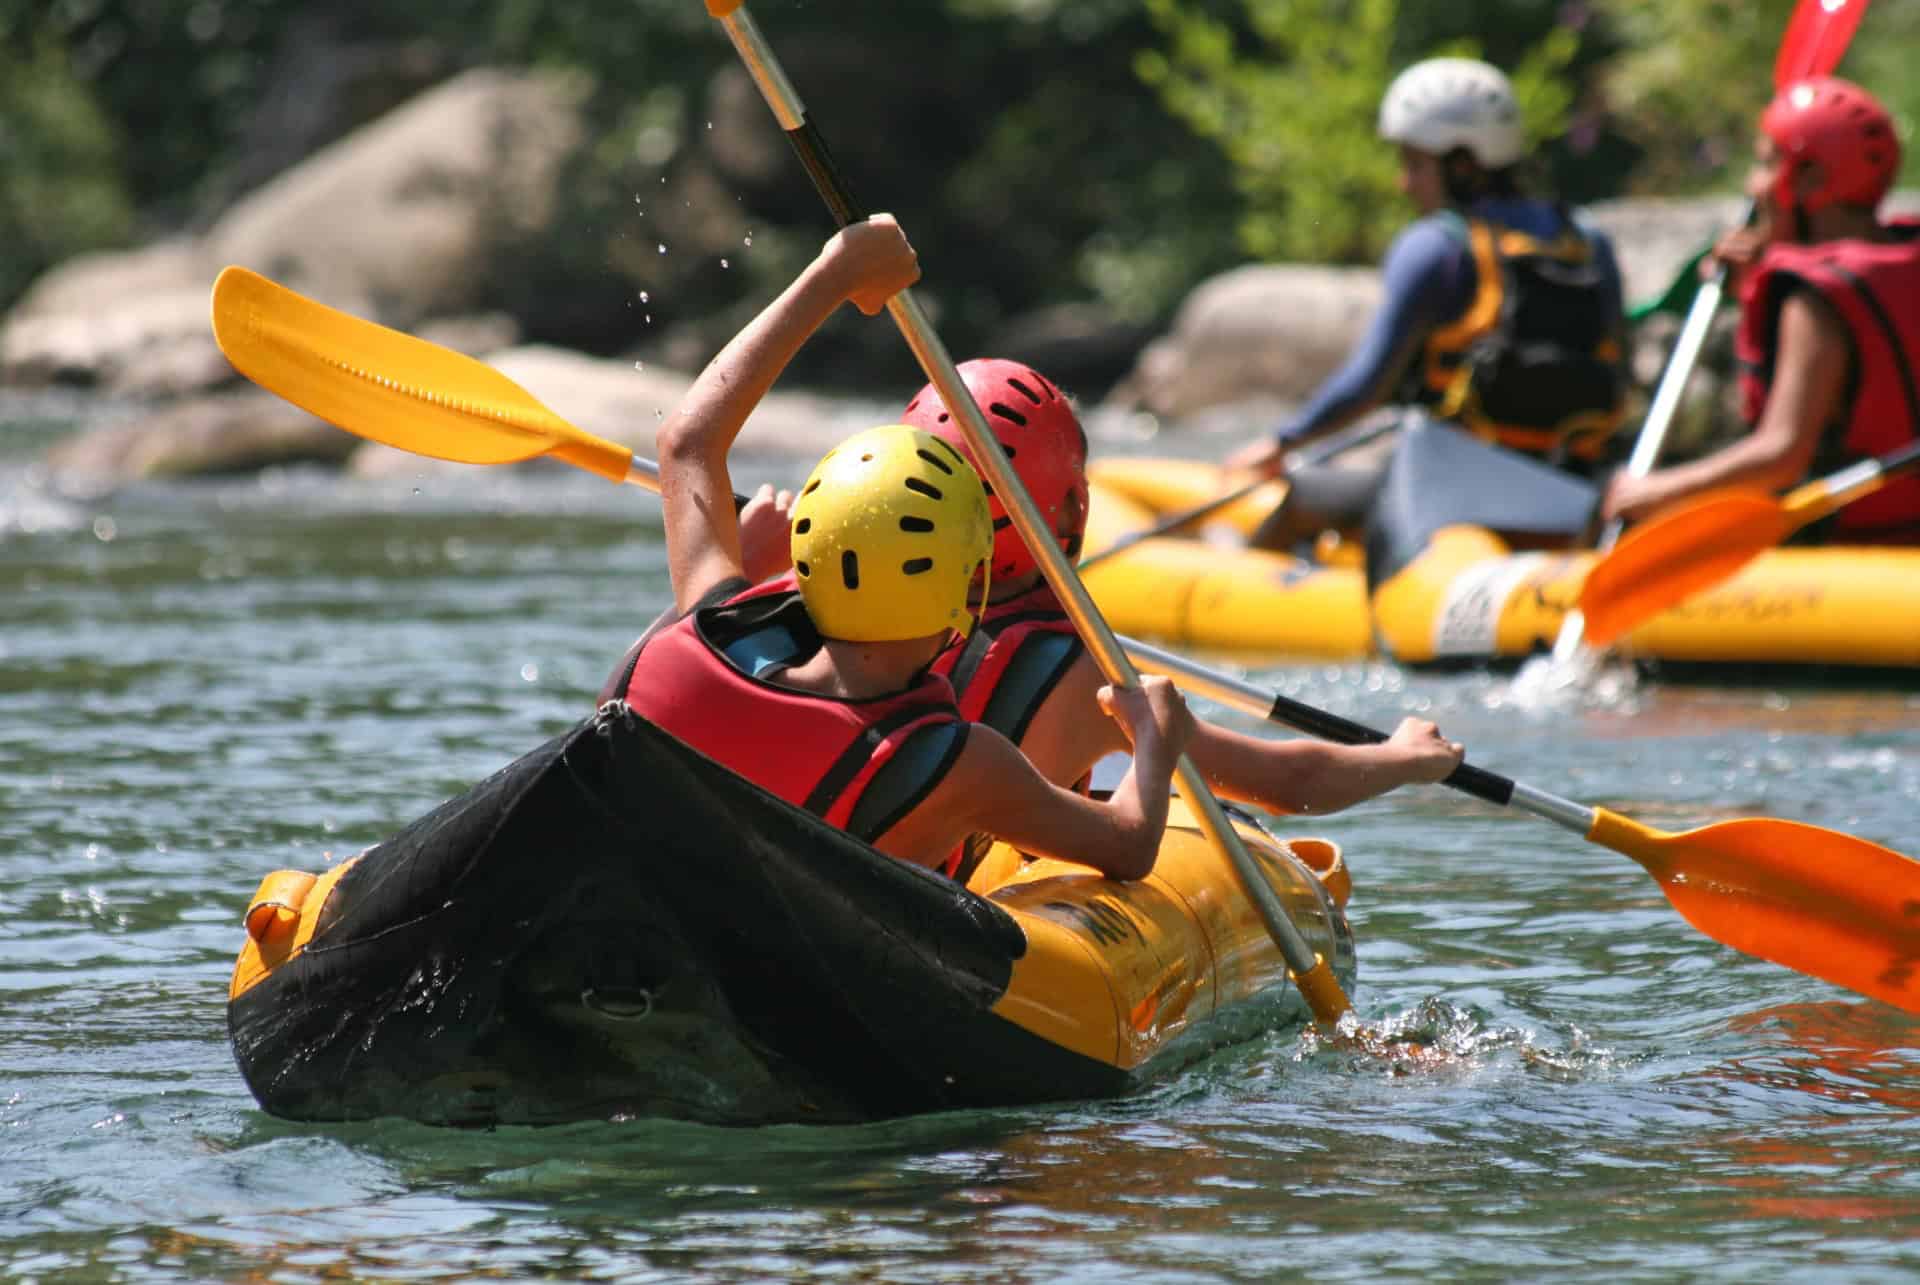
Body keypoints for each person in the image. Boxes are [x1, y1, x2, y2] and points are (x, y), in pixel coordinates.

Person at [600, 215, 1196, 881]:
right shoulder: (960, 763)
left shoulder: (686, 644)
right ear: (961, 600)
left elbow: (687, 442)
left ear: (806, 560)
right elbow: (1128, 844)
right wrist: (1153, 743)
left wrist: (830, 277)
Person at [898, 357, 1466, 872]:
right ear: (1073, 507)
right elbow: (1293, 783)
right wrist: (1402, 758)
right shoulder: (1090, 679)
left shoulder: (842, 605)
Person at [1223, 57, 1628, 553]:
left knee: (1306, 495)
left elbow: (1366, 385)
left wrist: (1280, 443)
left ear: (1461, 165)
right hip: (1574, 492)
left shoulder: (1435, 246)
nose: (1404, 183)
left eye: (1414, 164)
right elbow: (1617, 369)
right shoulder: (1587, 240)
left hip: (1454, 495)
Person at [1602, 77, 1920, 543]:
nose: (1754, 185)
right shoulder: (1902, 255)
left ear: (1812, 178)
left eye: (1768, 162)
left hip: (1857, 553)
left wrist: (1651, 492)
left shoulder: (1814, 301)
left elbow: (1781, 455)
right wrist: (1756, 286)